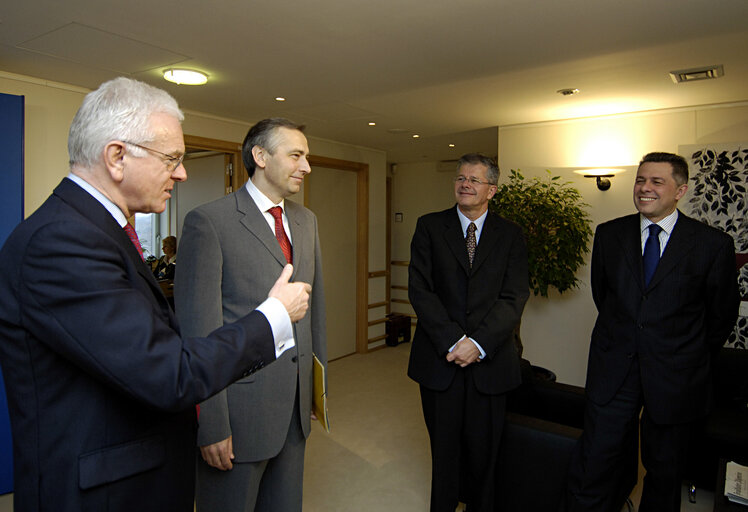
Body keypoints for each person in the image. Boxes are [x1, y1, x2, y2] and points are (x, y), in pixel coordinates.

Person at [0, 78, 312, 512]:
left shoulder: (94, 232)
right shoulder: (61, 242)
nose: (182, 173)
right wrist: (273, 316)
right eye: (172, 159)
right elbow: (169, 372)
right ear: (116, 157)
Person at [566, 152, 740, 512]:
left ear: (681, 190)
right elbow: (605, 297)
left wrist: (684, 352)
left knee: (664, 472)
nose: (645, 188)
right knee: (596, 461)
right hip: (614, 369)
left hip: (676, 377)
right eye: (640, 180)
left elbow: (720, 315)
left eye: (656, 181)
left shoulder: (711, 244)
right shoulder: (610, 234)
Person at [174, 117, 326, 512]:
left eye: (306, 156)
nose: (306, 166)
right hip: (239, 414)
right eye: (296, 155)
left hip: (294, 410)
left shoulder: (306, 222)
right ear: (260, 156)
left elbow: (315, 311)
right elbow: (199, 334)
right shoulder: (209, 222)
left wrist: (314, 388)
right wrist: (212, 424)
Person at [407, 153, 529, 512]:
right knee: (443, 452)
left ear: (492, 189)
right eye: (460, 178)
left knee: (484, 452)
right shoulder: (430, 226)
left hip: (491, 363)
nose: (464, 184)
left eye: (474, 180)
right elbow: (420, 290)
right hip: (439, 361)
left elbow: (514, 295)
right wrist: (454, 340)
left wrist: (477, 343)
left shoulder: (511, 234)